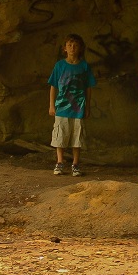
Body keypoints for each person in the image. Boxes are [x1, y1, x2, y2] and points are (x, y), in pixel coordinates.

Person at [48, 33, 96, 177]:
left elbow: (88, 87)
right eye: (69, 45)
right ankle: (60, 162)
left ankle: (75, 164)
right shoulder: (60, 65)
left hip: (78, 107)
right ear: (65, 48)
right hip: (62, 106)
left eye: (75, 45)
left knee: (77, 136)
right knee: (60, 135)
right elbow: (53, 86)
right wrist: (51, 105)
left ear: (80, 48)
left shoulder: (84, 66)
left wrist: (87, 107)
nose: (72, 48)